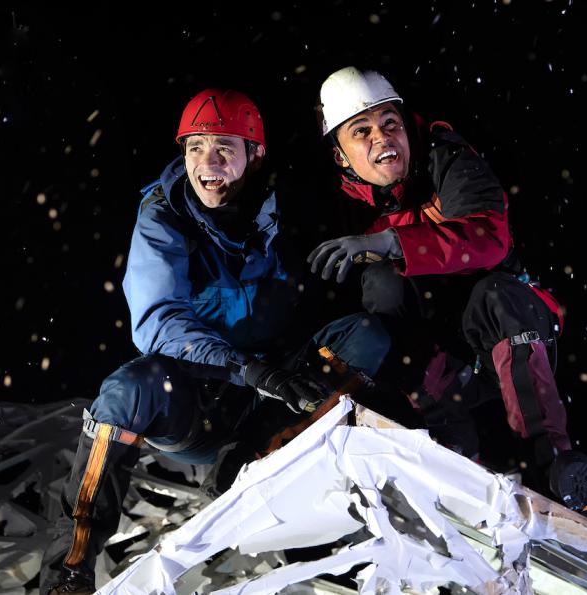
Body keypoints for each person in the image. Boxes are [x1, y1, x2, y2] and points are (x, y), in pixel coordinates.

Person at [40, 88, 394, 595]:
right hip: (201, 396)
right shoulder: (163, 216)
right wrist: (245, 368)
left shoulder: (285, 207)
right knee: (127, 389)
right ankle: (68, 571)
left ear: (256, 154)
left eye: (224, 148)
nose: (207, 163)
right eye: (195, 147)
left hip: (277, 394)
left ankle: (263, 462)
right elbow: (158, 321)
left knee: (366, 335)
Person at [308, 66, 587, 513]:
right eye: (362, 132)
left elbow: (487, 239)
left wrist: (393, 242)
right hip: (442, 357)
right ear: (341, 156)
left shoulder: (446, 157)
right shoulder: (340, 208)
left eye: (390, 124)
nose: (382, 139)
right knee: (382, 292)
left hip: (503, 332)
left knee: (495, 295)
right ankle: (451, 456)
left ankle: (556, 467)